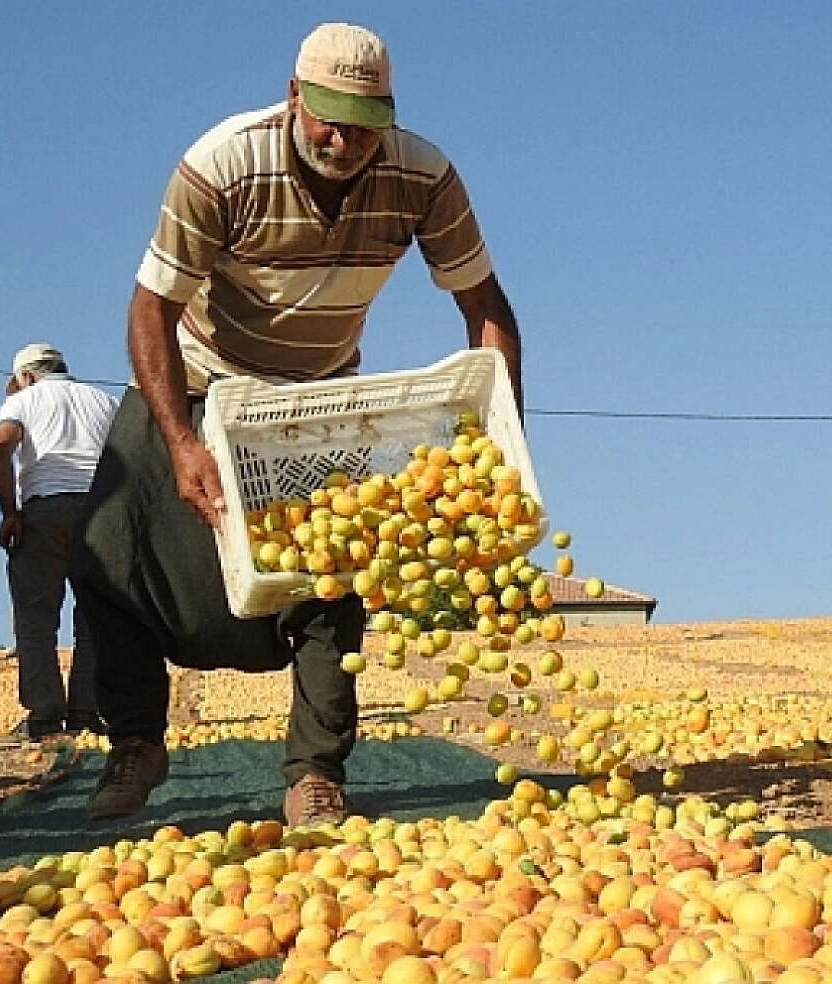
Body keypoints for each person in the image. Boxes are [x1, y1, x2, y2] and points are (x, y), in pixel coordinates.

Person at [71, 22, 522, 825]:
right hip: (195, 376)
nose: (345, 141)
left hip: (311, 399)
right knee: (107, 551)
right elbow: (151, 308)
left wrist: (502, 443)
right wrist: (180, 441)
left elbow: (484, 305)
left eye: (365, 124)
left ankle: (315, 770)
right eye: (329, 120)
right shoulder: (224, 165)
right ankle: (136, 741)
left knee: (329, 578)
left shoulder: (422, 175)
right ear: (293, 99)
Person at [0, 344, 119, 740]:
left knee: (35, 617)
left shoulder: (24, 400)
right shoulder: (104, 401)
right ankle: (85, 711)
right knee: (95, 616)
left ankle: (44, 716)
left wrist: (10, 513)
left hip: (45, 511)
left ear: (27, 377)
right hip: (102, 511)